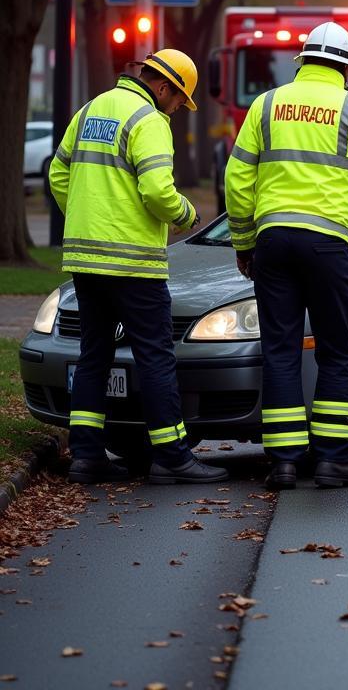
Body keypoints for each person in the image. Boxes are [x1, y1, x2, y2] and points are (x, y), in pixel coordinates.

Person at [224, 21, 348, 490]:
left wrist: (244, 243)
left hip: (274, 242)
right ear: (346, 66)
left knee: (279, 351)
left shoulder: (265, 105)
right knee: (339, 351)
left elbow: (237, 183)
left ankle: (283, 462)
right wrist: (346, 186)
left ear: (300, 61)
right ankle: (334, 459)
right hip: (327, 244)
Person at [49, 51, 228, 486]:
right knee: (155, 357)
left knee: (93, 355)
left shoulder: (91, 109)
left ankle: (87, 456)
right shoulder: (148, 121)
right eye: (178, 100)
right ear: (163, 87)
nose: (176, 110)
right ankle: (172, 456)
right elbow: (156, 190)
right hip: (133, 264)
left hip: (86, 262)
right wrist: (185, 214)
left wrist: (82, 218)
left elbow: (58, 172)